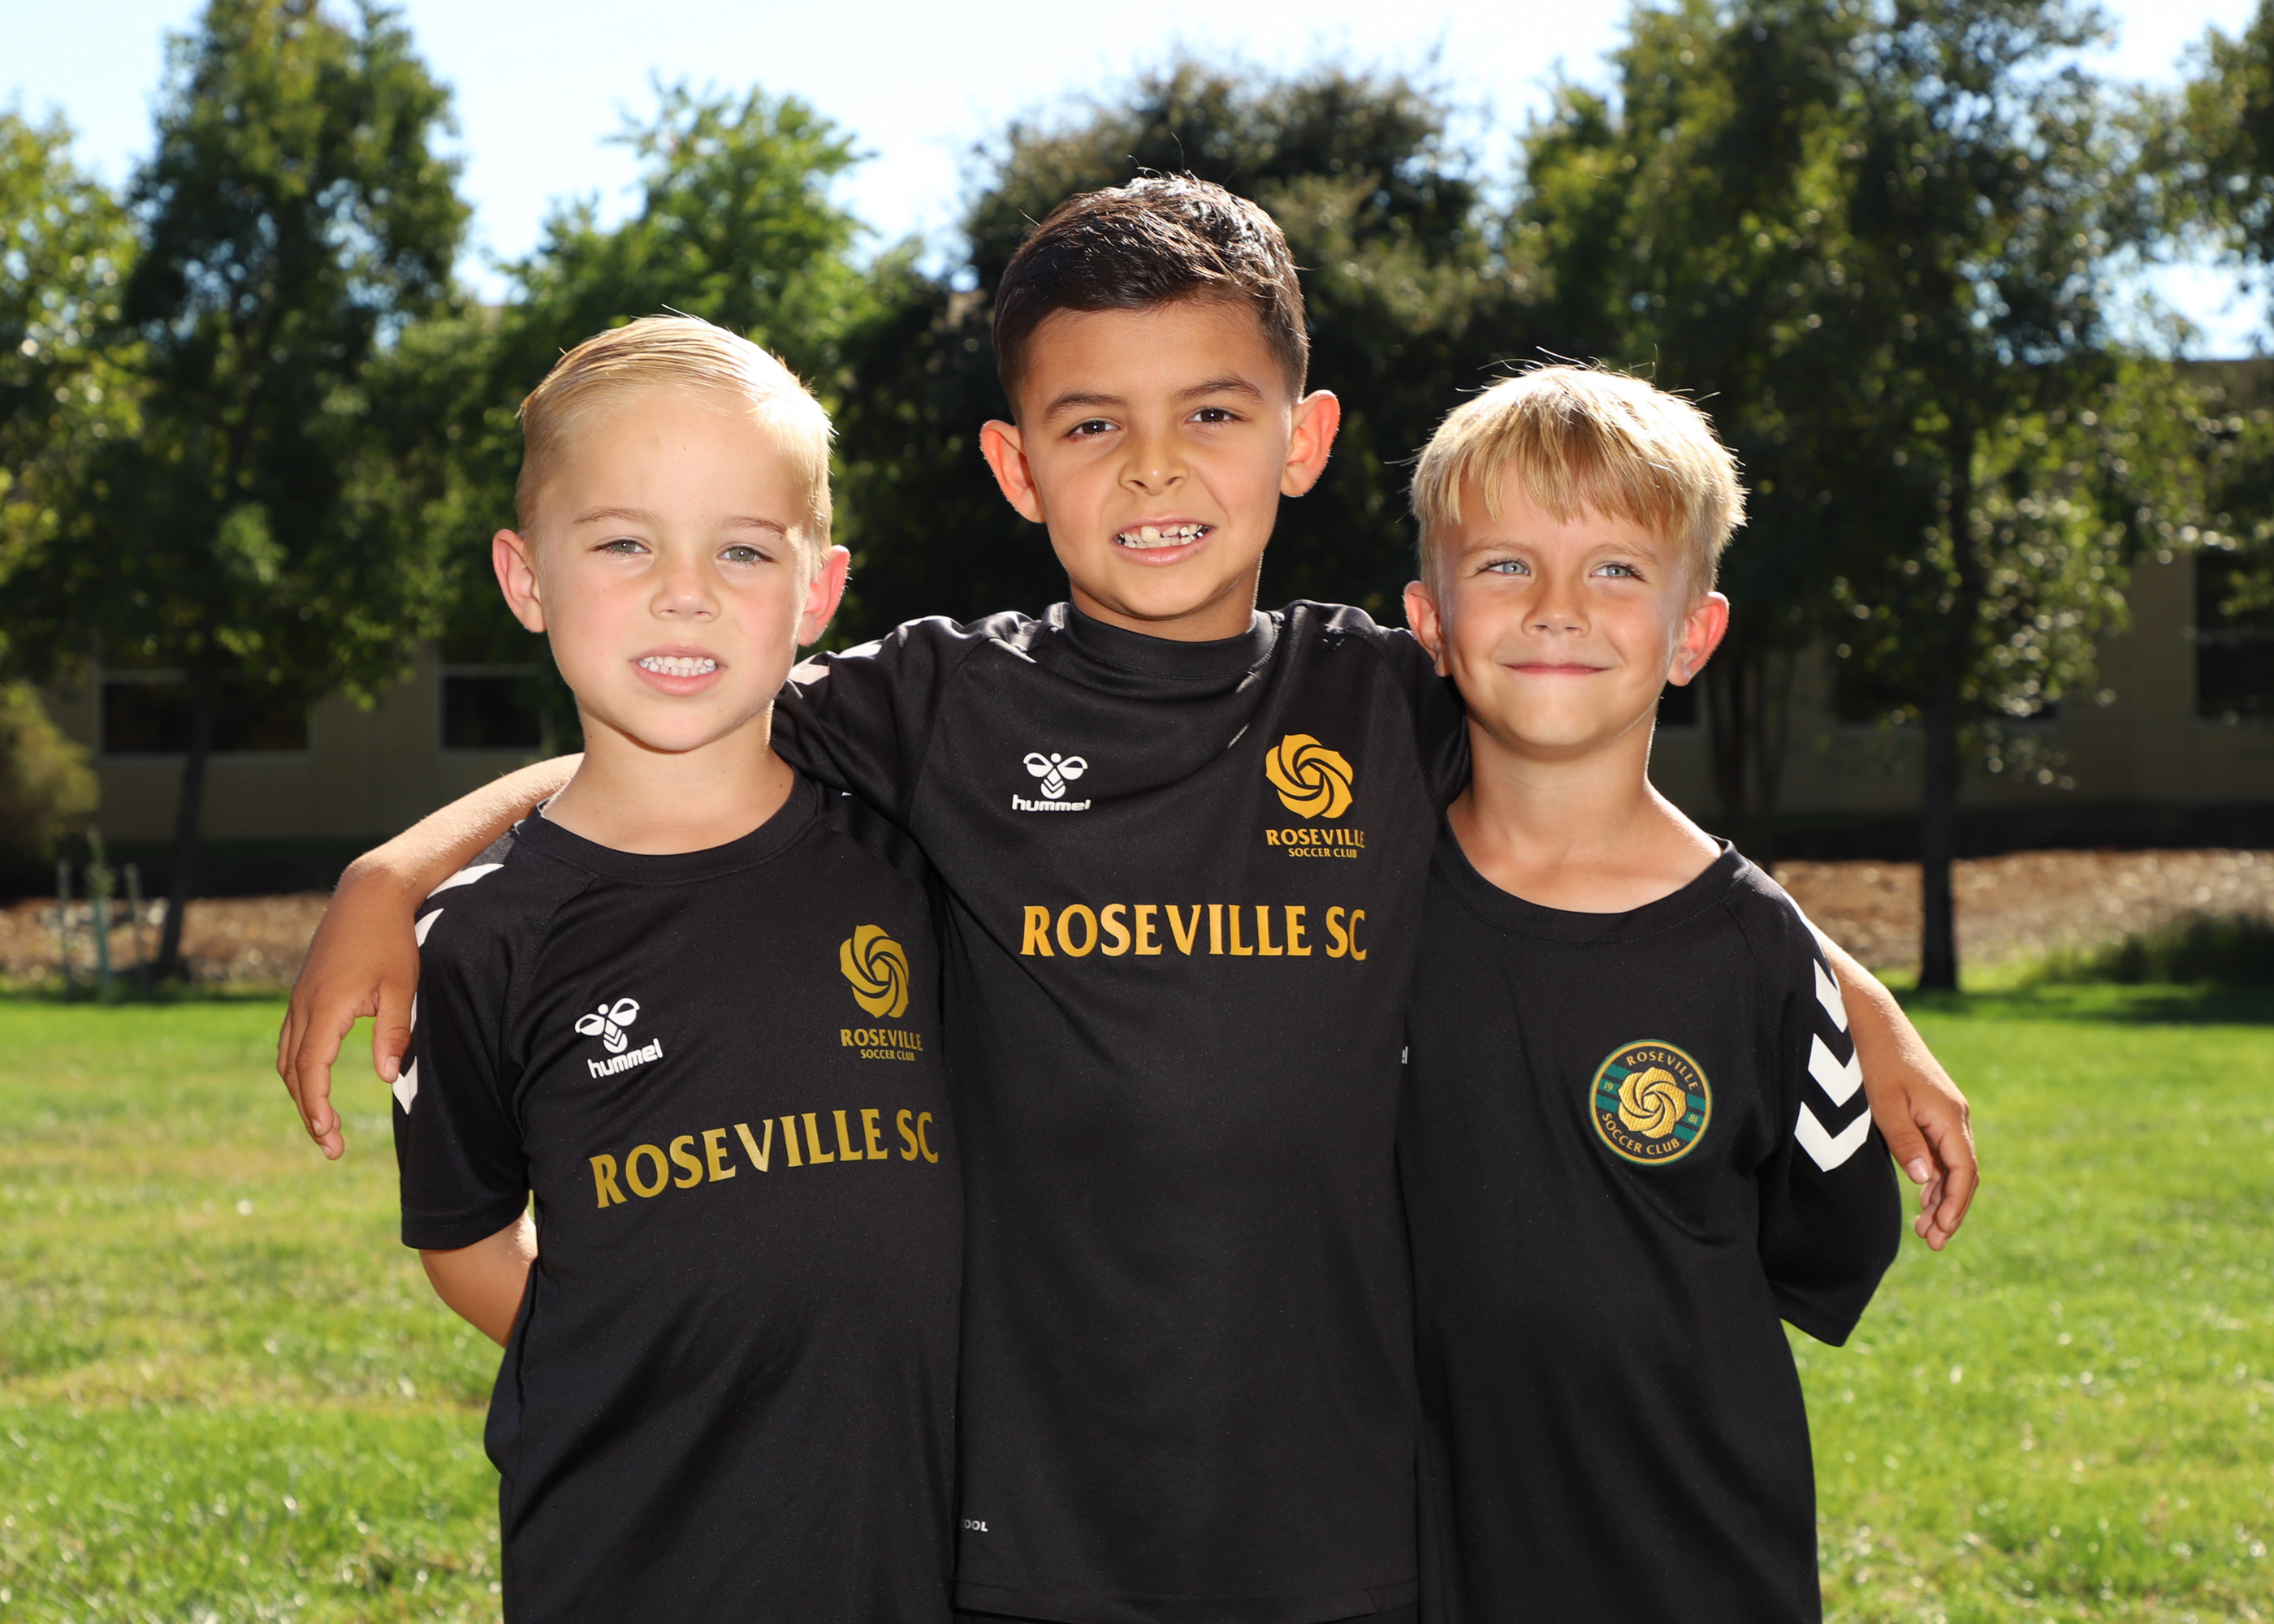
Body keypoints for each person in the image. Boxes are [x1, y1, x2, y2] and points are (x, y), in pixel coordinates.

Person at [279, 180, 1974, 1624]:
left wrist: (1836, 981)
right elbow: (679, 714)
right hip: (1029, 1536)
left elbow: (1589, 803)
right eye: (1093, 425)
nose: (1155, 471)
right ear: (1018, 467)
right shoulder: (936, 703)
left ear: (1302, 440)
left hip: (1353, 1527)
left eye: (1212, 415)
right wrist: (395, 869)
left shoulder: (1384, 696)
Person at [390, 316, 959, 1622]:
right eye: (624, 543)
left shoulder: (919, 861)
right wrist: (652, 1344)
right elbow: (465, 1241)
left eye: (742, 549)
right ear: (525, 577)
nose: (684, 591)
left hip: (915, 1547)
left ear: (819, 592)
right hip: (633, 1560)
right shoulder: (481, 937)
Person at [1398, 365, 1903, 1622]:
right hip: (1412, 1564)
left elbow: (1829, 1241)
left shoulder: (1762, 959)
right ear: (1429, 621)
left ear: (1693, 635)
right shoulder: (1355, 905)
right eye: (1504, 564)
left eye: (1617, 569)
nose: (1557, 607)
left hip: (1692, 1571)